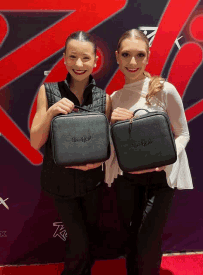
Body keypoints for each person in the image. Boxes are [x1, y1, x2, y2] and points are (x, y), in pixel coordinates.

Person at [105, 29, 193, 275]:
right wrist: (110, 123)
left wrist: (163, 158)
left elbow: (183, 133)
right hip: (128, 179)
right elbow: (112, 146)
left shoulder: (164, 89)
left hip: (160, 178)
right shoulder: (114, 98)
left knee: (148, 240)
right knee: (131, 237)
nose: (132, 62)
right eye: (126, 55)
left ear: (147, 57)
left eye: (139, 55)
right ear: (117, 57)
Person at [30, 31, 111, 275]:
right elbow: (36, 141)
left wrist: (94, 164)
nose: (79, 64)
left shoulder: (103, 98)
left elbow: (105, 146)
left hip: (93, 184)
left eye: (85, 58)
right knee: (79, 243)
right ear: (64, 58)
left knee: (89, 242)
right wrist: (52, 112)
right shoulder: (48, 91)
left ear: (95, 61)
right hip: (59, 184)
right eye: (72, 56)